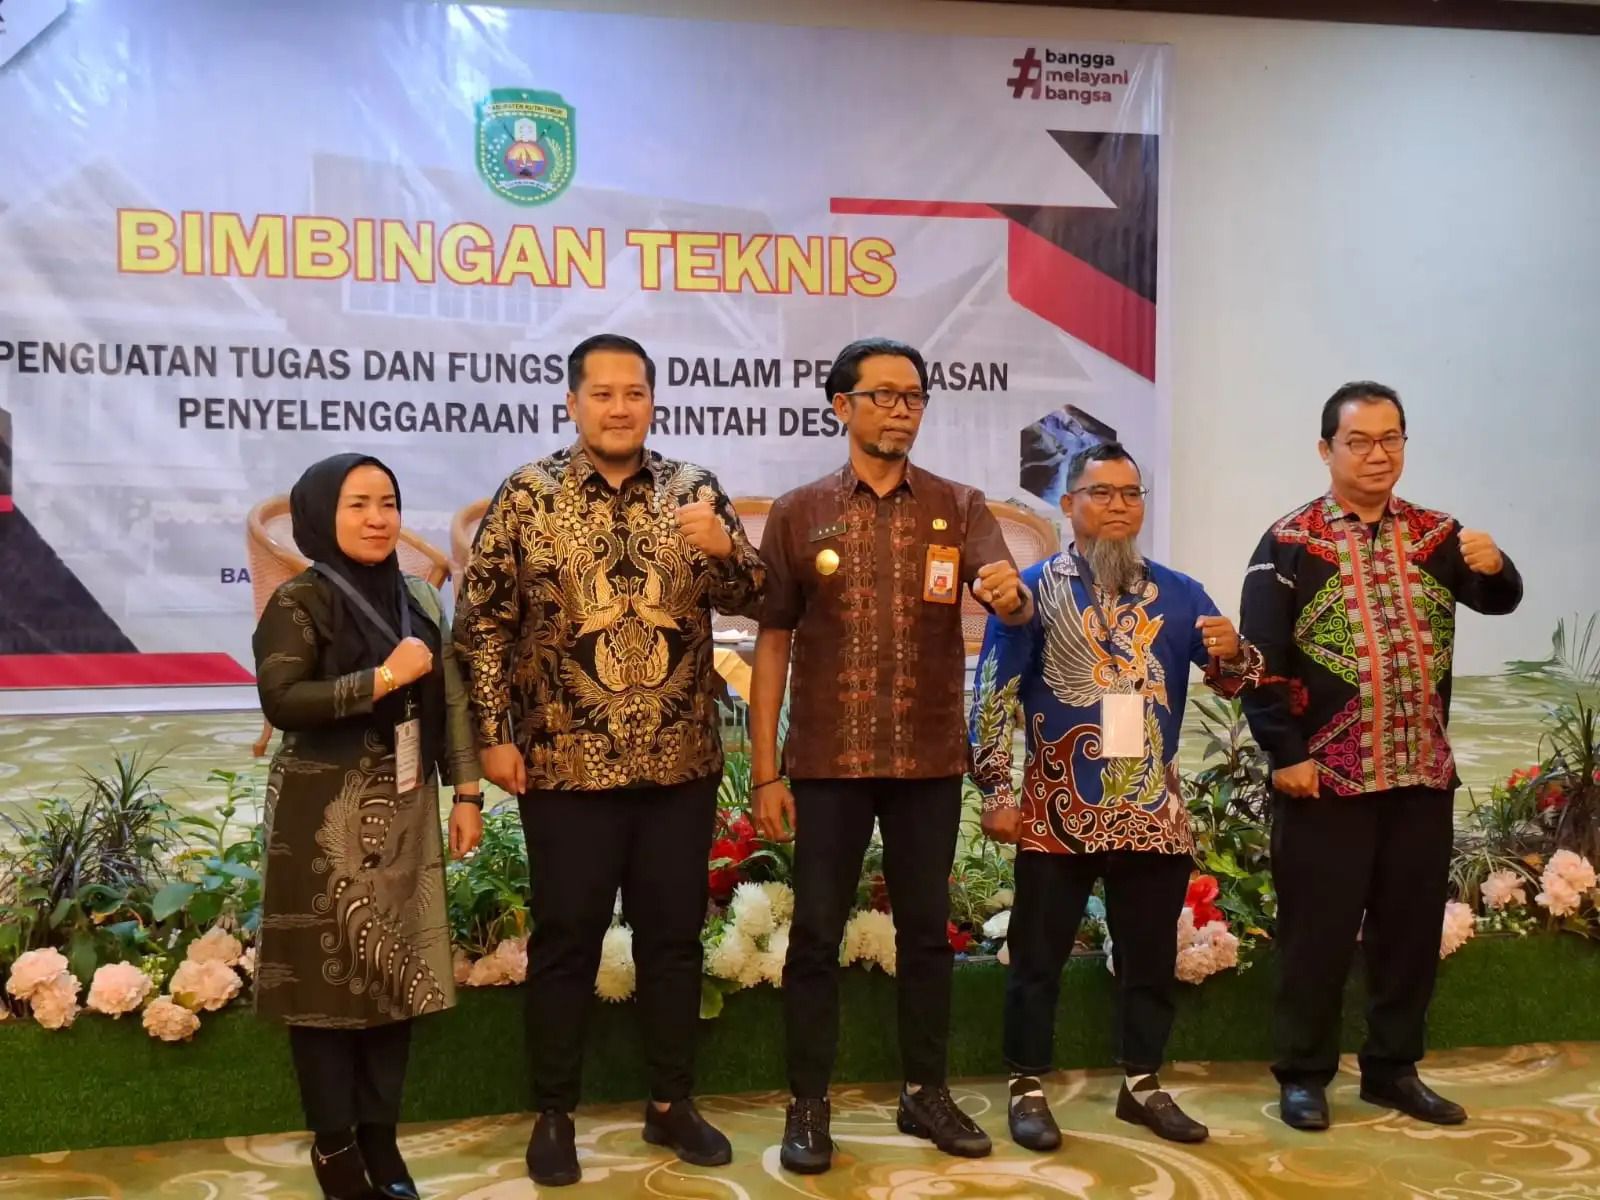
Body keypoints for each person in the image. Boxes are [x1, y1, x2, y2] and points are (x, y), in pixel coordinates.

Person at [454, 333, 765, 1188]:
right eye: (603, 394)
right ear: (573, 403)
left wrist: (725, 549)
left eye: (635, 393)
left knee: (673, 941)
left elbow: (761, 597)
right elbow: (482, 623)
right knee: (567, 943)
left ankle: (671, 1102)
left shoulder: (694, 489)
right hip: (564, 763)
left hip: (679, 763)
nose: (620, 408)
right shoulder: (528, 494)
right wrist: (494, 733)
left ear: (652, 401)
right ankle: (554, 1113)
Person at [748, 336, 1032, 1175]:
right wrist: (765, 770)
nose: (902, 410)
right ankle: (808, 1104)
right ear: (843, 406)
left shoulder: (958, 505)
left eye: (913, 397)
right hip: (827, 762)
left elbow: (1008, 599)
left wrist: (1010, 597)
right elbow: (772, 643)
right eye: (884, 395)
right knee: (815, 937)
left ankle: (925, 1092)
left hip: (927, 762)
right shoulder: (799, 512)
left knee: (927, 937)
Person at [1240, 381, 1522, 1132]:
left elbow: (1498, 600)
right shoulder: (1290, 542)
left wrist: (1497, 566)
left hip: (1419, 772)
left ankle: (1393, 1071)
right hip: (1323, 781)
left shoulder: (1437, 535)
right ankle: (1304, 1075)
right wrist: (1285, 752)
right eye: (1359, 441)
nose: (1377, 454)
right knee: (1317, 937)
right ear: (1326, 448)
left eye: (1390, 438)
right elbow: (1258, 662)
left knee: (1408, 937)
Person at [969, 442, 1264, 1150]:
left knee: (1149, 959)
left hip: (1153, 810)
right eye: (1101, 493)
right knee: (1037, 957)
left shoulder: (1180, 592)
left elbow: (1238, 681)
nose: (1118, 506)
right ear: (1069, 504)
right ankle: (1027, 1085)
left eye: (1131, 494)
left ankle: (1142, 1083)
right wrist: (997, 789)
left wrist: (1234, 651)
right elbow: (992, 693)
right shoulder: (1030, 591)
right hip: (1057, 808)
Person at [253, 453, 484, 1200]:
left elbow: (451, 696)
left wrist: (468, 793)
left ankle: (382, 1146)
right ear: (324, 515)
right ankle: (335, 1149)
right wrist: (382, 679)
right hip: (320, 817)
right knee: (325, 988)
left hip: (407, 807)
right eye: (359, 504)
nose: (379, 519)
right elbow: (282, 699)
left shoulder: (418, 597)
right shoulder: (300, 601)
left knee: (396, 977)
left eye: (388, 503)